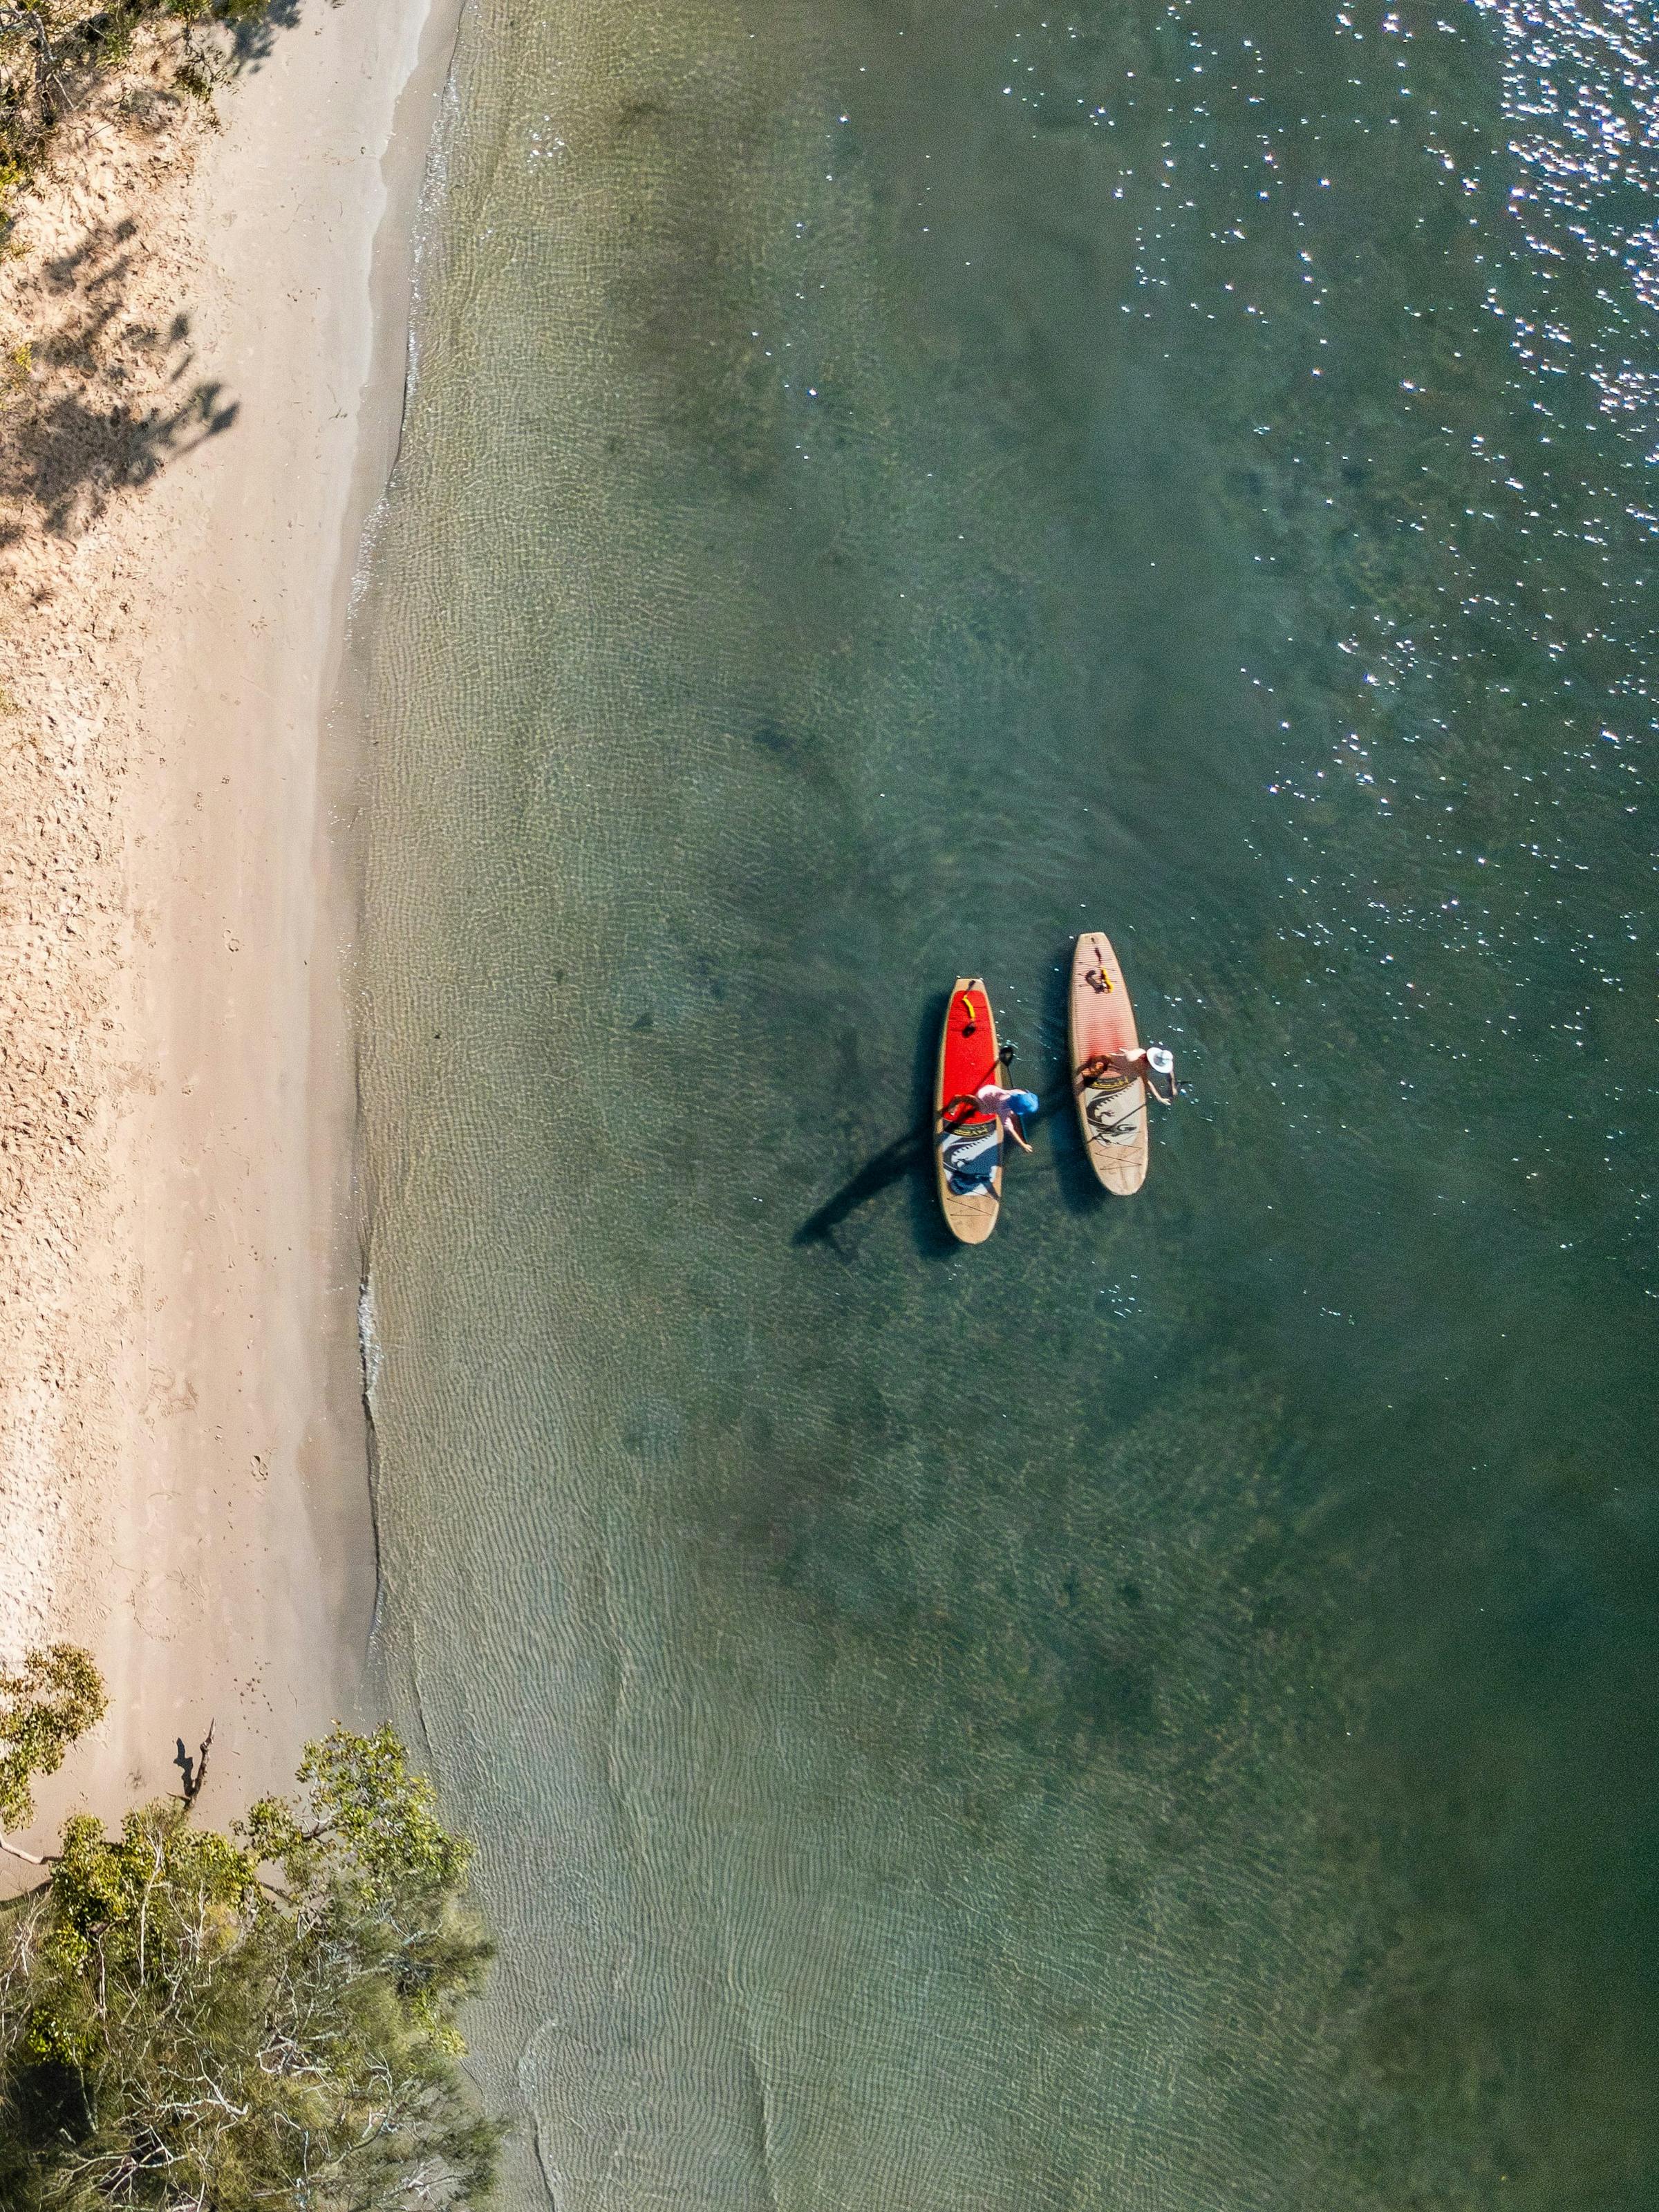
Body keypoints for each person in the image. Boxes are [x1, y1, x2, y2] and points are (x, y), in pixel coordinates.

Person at [1078, 1043, 1178, 1107]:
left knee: (1123, 1060)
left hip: (1128, 1061)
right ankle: (1099, 1066)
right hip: (1123, 1065)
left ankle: (1107, 1062)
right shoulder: (1137, 1064)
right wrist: (1159, 1098)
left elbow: (1170, 1072)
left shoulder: (1142, 1052)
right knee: (1107, 1060)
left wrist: (1172, 1087)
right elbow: (1147, 1082)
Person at [974, 1080, 1040, 1153]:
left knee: (1000, 1104)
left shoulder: (1019, 1093)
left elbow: (1025, 1093)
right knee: (982, 1110)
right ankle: (968, 1099)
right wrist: (1023, 1145)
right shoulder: (1004, 1110)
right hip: (982, 1098)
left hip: (991, 1089)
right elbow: (1009, 1129)